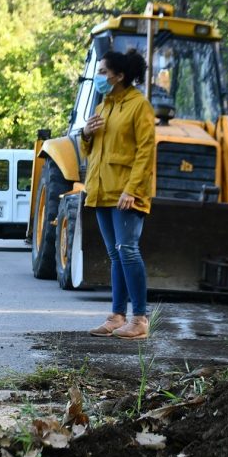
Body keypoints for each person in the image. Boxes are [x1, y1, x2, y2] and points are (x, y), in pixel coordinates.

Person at [81, 49, 157, 340]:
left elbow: (145, 152)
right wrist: (86, 133)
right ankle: (116, 316)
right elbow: (90, 151)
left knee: (128, 251)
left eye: (103, 72)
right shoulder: (102, 107)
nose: (99, 77)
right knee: (115, 254)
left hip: (126, 192)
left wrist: (133, 190)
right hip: (101, 190)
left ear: (119, 76)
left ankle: (139, 318)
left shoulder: (140, 106)